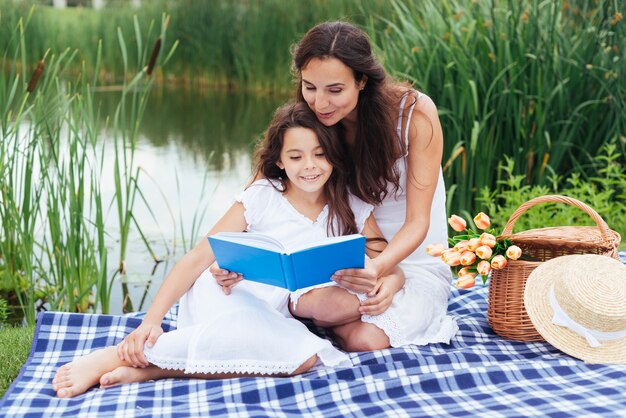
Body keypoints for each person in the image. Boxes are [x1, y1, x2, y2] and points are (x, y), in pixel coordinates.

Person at [52, 102, 405, 398]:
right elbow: (197, 258)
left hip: (278, 313)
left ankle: (153, 371)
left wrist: (387, 283)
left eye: (320, 154)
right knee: (249, 332)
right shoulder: (264, 196)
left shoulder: (351, 204)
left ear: (335, 156)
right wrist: (151, 320)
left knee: (301, 360)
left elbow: (387, 260)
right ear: (280, 161)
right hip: (230, 291)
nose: (309, 166)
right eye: (296, 157)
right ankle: (115, 356)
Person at [215, 21, 458, 348]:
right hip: (342, 263)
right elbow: (260, 191)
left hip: (407, 260)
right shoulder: (310, 123)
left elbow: (419, 221)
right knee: (321, 308)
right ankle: (319, 321)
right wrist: (233, 260)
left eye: (335, 90)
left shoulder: (413, 114)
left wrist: (382, 270)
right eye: (310, 86)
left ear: (361, 81)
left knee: (368, 338)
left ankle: (320, 328)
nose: (320, 103)